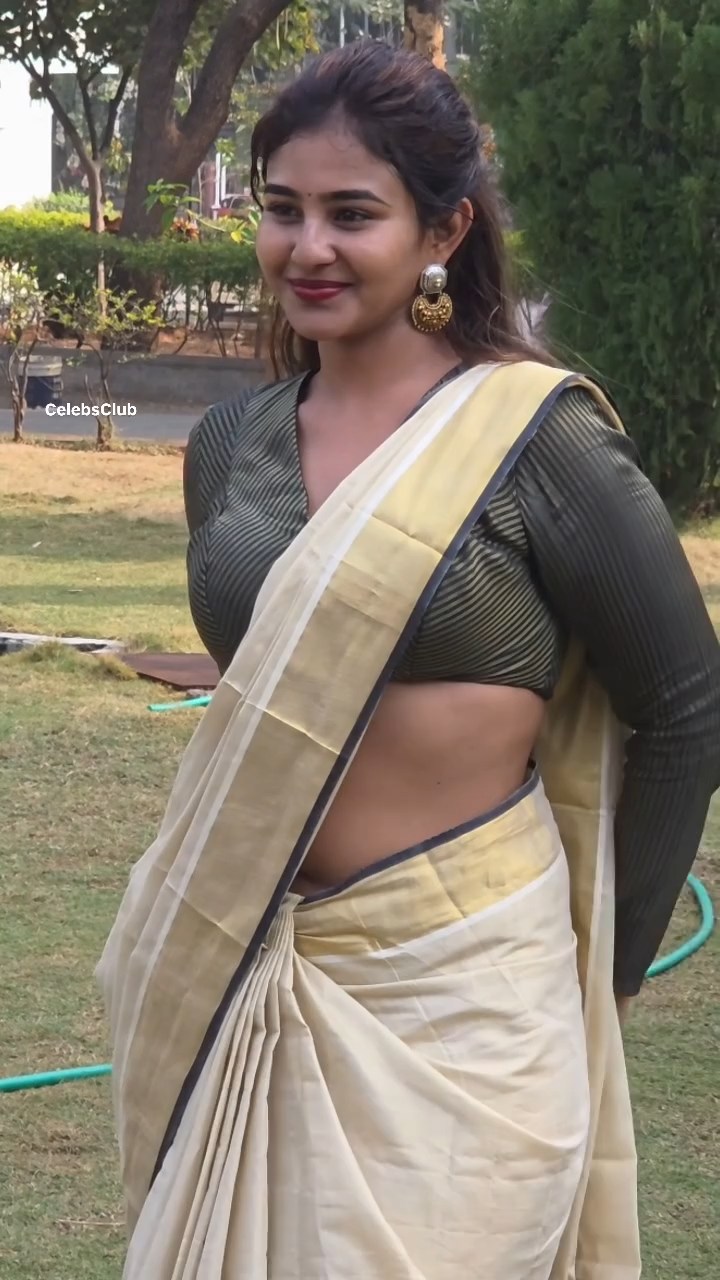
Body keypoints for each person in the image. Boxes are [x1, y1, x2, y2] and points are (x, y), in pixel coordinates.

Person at [98, 40, 720, 1280]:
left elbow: (685, 703)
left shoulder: (535, 436)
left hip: (468, 1003)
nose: (307, 247)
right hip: (251, 961)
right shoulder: (231, 444)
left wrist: (607, 970)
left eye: (352, 213)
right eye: (282, 209)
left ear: (444, 230)